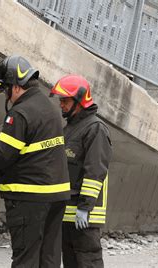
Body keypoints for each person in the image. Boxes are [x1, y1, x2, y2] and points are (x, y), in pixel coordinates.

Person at [0, 55, 70, 267]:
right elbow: (33, 147)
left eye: (5, 90)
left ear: (15, 86)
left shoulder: (19, 113)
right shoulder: (49, 108)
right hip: (56, 195)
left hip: (30, 198)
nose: (7, 96)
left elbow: (2, 158)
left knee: (26, 258)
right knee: (48, 257)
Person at [50, 75, 112, 268]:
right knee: (71, 263)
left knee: (88, 262)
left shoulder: (95, 128)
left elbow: (95, 171)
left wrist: (85, 207)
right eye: (60, 100)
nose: (61, 105)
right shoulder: (70, 128)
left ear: (79, 100)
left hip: (85, 215)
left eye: (65, 100)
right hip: (68, 212)